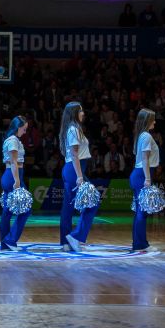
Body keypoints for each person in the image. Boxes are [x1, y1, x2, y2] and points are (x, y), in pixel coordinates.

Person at [59, 102, 98, 252]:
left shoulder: (73, 129)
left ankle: (66, 242)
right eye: (81, 111)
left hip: (74, 169)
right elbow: (75, 154)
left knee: (68, 207)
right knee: (93, 202)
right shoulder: (73, 129)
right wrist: (80, 177)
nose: (83, 113)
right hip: (75, 171)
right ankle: (75, 237)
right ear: (75, 113)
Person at [130, 109, 159, 252]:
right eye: (153, 119)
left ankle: (139, 243)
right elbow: (145, 158)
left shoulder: (141, 135)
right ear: (147, 121)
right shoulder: (146, 136)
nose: (155, 122)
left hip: (140, 174)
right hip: (142, 175)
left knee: (140, 212)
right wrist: (147, 178)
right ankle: (141, 245)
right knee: (142, 212)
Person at [0, 116, 31, 251]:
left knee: (7, 211)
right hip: (13, 176)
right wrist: (17, 180)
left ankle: (6, 243)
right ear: (18, 127)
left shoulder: (13, 139)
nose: (25, 132)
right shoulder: (12, 140)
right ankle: (10, 240)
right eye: (24, 129)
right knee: (26, 209)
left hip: (11, 175)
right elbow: (13, 161)